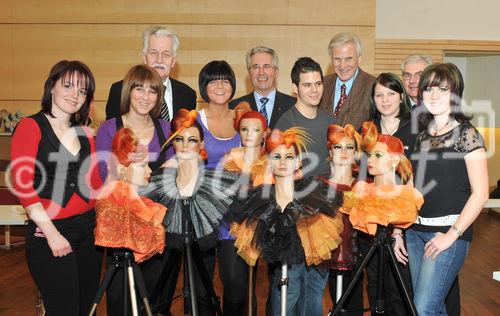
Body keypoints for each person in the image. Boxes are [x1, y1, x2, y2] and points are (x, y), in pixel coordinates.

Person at [10, 60, 103, 315]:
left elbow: (95, 183)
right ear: (52, 86)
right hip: (50, 231)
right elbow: (23, 186)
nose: (75, 95)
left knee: (86, 308)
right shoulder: (31, 127)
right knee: (64, 308)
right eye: (69, 85)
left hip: (88, 231)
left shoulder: (85, 133)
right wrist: (51, 234)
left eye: (83, 91)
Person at [227, 128, 344, 316]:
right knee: (283, 292)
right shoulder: (258, 200)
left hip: (303, 245)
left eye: (288, 157)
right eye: (276, 157)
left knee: (301, 290)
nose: (282, 162)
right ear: (268, 162)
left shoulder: (312, 200)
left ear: (298, 162)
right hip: (280, 259)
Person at [404, 63, 489, 315]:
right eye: (428, 89)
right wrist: (400, 229)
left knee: (424, 307)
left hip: (446, 234)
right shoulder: (421, 136)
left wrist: (452, 235)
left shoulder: (467, 135)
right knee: (431, 307)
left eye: (442, 89)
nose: (434, 96)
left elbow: (481, 192)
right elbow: (413, 187)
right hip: (415, 233)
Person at [142, 109, 240, 316]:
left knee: (202, 292)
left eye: (192, 140)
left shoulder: (216, 184)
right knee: (161, 290)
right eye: (180, 139)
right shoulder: (159, 184)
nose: (186, 145)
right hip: (169, 241)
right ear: (173, 143)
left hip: (201, 242)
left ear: (202, 145)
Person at [95, 64, 175, 315]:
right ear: (129, 91)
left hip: (155, 222)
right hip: (122, 221)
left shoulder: (165, 128)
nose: (145, 96)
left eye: (152, 91)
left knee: (151, 294)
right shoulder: (110, 127)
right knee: (119, 295)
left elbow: (172, 174)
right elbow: (101, 175)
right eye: (139, 89)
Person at [341, 121, 423, 315]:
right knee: (374, 284)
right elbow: (346, 210)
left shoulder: (404, 194)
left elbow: (404, 216)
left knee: (397, 289)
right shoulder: (360, 188)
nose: (370, 160)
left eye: (378, 155)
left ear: (394, 161)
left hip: (393, 249)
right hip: (366, 247)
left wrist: (397, 233)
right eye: (370, 155)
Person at [221, 103, 270, 315]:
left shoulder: (270, 163)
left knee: (251, 287)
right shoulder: (230, 159)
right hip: (229, 229)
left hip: (258, 231)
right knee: (234, 287)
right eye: (244, 129)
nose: (249, 134)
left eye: (256, 129)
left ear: (265, 134)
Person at [95, 128, 166, 263]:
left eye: (148, 165)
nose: (150, 171)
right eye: (143, 166)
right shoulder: (113, 207)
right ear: (122, 170)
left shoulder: (138, 202)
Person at [105, 25, 196, 120]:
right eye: (154, 53)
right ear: (144, 57)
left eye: (166, 54)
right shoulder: (120, 90)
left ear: (173, 61)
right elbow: (112, 131)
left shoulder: (187, 94)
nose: (159, 60)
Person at [318, 124, 363, 313]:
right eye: (338, 147)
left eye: (349, 147)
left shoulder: (364, 187)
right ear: (330, 149)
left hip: (358, 259)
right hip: (323, 258)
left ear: (356, 153)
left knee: (353, 305)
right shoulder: (318, 186)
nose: (344, 152)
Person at [276, 57, 333, 177]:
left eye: (318, 84)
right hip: (300, 193)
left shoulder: (330, 120)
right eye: (307, 85)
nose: (315, 90)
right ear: (295, 88)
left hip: (331, 191)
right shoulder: (285, 124)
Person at [319, 32, 376, 130]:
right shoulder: (321, 84)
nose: (342, 66)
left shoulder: (373, 86)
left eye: (348, 59)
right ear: (331, 60)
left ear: (359, 59)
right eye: (337, 59)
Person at [229, 46, 295, 128]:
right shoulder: (233, 108)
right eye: (256, 67)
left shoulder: (294, 106)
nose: (261, 72)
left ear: (276, 72)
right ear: (249, 73)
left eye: (266, 66)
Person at [197, 60, 241, 169]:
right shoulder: (194, 121)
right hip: (203, 184)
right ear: (204, 87)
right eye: (213, 82)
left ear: (232, 86)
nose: (220, 86)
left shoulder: (242, 118)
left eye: (225, 81)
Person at [370, 72, 416, 158]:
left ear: (401, 97)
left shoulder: (417, 129)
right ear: (373, 99)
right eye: (379, 95)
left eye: (391, 94)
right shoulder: (367, 130)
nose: (384, 100)